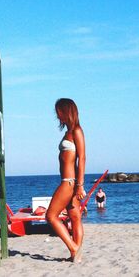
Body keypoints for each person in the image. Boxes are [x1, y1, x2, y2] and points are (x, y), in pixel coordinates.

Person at [46, 98, 86, 262]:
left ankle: (74, 247)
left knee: (50, 216)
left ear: (66, 111)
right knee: (75, 217)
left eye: (58, 112)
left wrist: (79, 185)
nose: (57, 116)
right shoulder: (68, 132)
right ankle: (75, 256)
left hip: (69, 182)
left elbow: (82, 158)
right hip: (69, 181)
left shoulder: (76, 130)